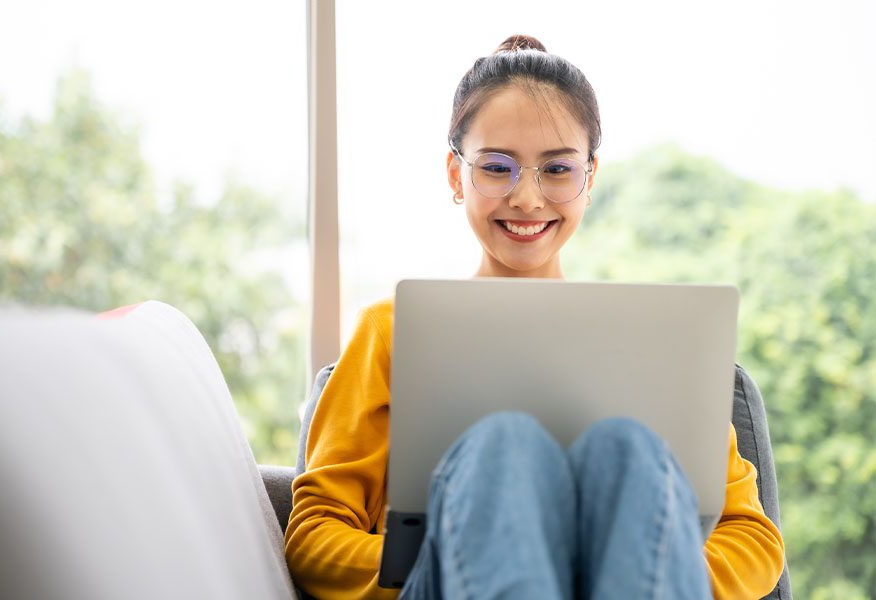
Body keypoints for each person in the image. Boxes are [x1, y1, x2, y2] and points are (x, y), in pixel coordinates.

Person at [285, 34, 786, 599]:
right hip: (446, 584)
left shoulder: (651, 340)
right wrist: (467, 545)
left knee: (625, 449)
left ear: (589, 178)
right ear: (456, 175)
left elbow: (752, 538)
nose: (527, 198)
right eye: (497, 168)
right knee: (505, 446)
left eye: (557, 170)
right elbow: (312, 539)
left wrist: (626, 561)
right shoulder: (391, 329)